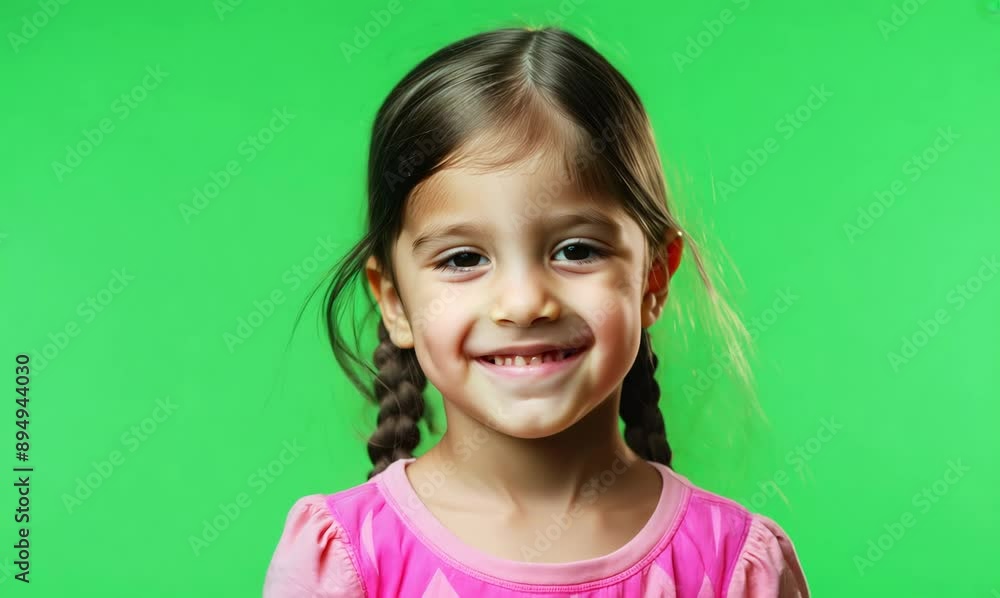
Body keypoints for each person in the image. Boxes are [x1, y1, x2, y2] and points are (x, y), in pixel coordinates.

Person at [264, 25, 809, 597]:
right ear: (394, 300)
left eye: (576, 251)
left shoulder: (734, 562)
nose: (524, 303)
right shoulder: (344, 558)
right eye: (464, 258)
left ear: (652, 277)